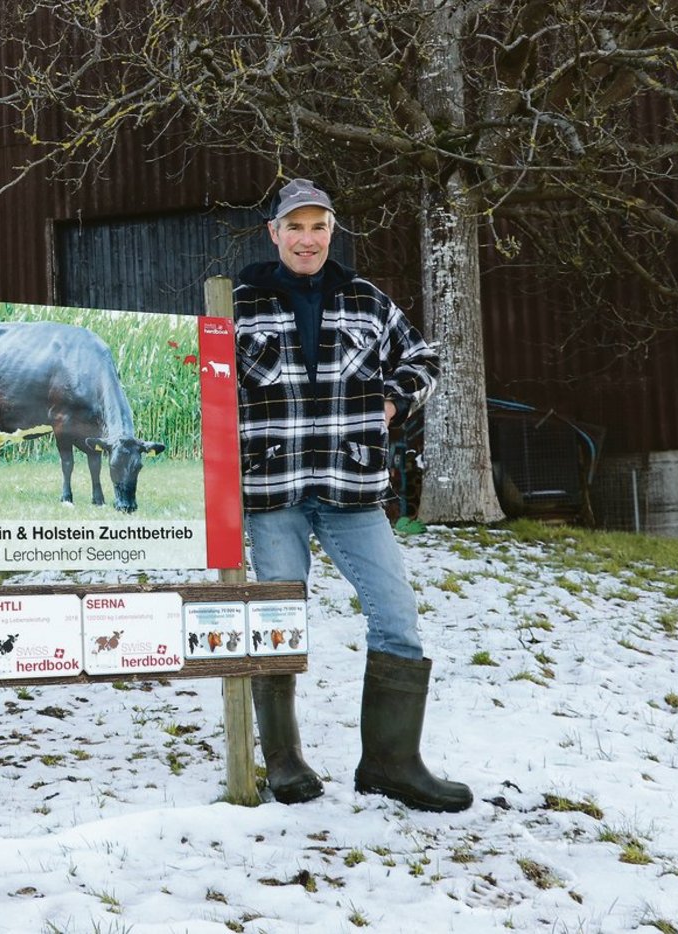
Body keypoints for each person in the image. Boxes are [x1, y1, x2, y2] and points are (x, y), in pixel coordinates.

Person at [233, 178, 472, 813]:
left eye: (318, 227)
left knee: (396, 613)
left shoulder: (365, 299)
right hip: (271, 490)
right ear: (275, 233)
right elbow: (200, 381)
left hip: (352, 488)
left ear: (330, 231)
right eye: (295, 227)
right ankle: (283, 760)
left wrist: (393, 400)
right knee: (277, 620)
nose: (306, 239)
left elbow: (422, 355)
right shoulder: (238, 301)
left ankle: (392, 764)